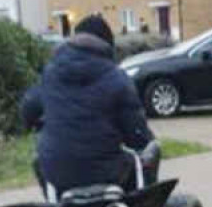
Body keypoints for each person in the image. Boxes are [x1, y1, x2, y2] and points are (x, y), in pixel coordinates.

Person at [20, 14, 155, 195]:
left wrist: (43, 125)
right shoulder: (117, 77)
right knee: (151, 152)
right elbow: (138, 136)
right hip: (107, 171)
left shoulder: (51, 73)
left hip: (59, 172)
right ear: (107, 45)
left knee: (40, 160)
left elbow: (28, 111)